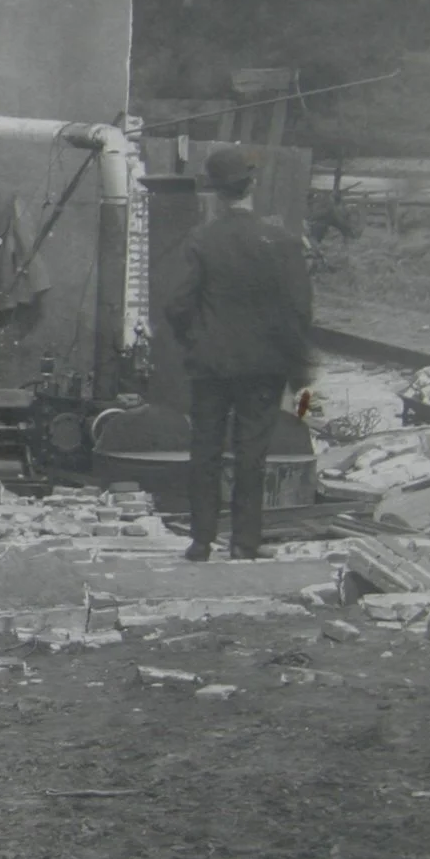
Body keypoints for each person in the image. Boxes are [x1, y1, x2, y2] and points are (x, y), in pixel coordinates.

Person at [160, 146, 315, 562]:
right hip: (264, 366)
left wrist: (195, 340)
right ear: (253, 185)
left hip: (210, 364)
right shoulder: (280, 241)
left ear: (214, 190)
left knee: (205, 449)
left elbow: (177, 304)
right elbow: (300, 310)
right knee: (252, 454)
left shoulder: (201, 239)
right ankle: (244, 543)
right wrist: (297, 363)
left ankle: (201, 541)